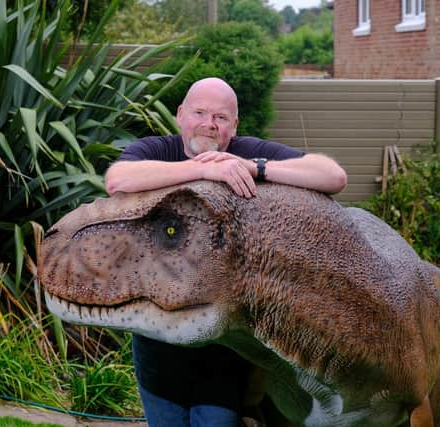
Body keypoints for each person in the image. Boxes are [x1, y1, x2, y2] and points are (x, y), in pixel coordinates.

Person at [104, 77, 347, 427]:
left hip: (226, 340)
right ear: (180, 115)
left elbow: (333, 176)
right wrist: (205, 168)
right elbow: (117, 180)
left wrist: (256, 168)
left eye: (220, 117)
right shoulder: (156, 150)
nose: (208, 123)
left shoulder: (246, 151)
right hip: (159, 334)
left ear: (234, 126)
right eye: (199, 112)